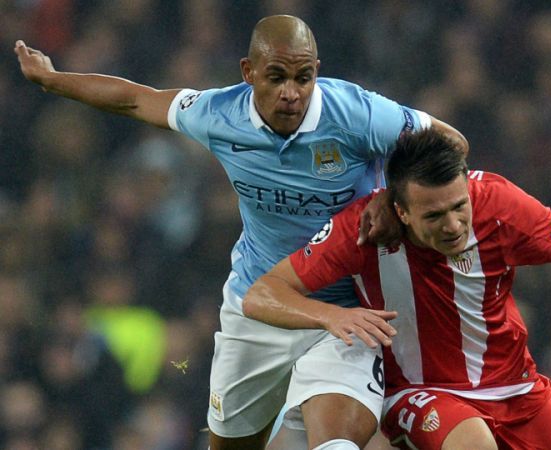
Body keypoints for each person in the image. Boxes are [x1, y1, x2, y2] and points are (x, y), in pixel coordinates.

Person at [15, 15, 467, 450]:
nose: (292, 93)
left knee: (336, 442)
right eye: (277, 77)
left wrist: (390, 200)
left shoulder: (357, 113)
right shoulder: (218, 113)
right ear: (248, 73)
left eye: (304, 78)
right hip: (262, 304)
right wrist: (54, 80)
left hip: (349, 310)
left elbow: (450, 143)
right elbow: (135, 99)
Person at [241, 128, 551, 449]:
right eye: (434, 216)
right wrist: (331, 315)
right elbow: (262, 294)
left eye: (459, 207)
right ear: (399, 210)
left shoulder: (498, 204)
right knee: (472, 444)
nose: (454, 225)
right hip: (417, 391)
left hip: (516, 387)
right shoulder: (359, 231)